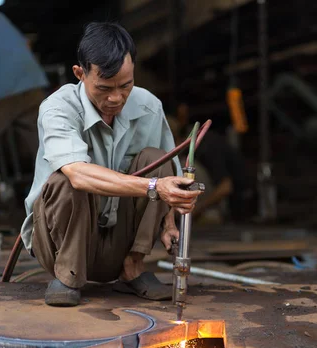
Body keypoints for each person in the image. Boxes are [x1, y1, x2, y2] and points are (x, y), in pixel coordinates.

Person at [20, 22, 202, 307]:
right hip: (58, 245)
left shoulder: (148, 106)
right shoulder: (58, 108)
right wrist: (154, 187)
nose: (116, 98)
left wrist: (168, 223)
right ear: (80, 74)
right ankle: (68, 276)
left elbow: (168, 175)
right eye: (104, 88)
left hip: (118, 244)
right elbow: (77, 175)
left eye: (125, 85)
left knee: (157, 160)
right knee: (66, 179)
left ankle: (133, 267)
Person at [0, 11, 48, 181]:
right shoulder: (0, 16)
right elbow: (26, 44)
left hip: (3, 87)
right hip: (30, 78)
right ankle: (63, 194)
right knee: (47, 145)